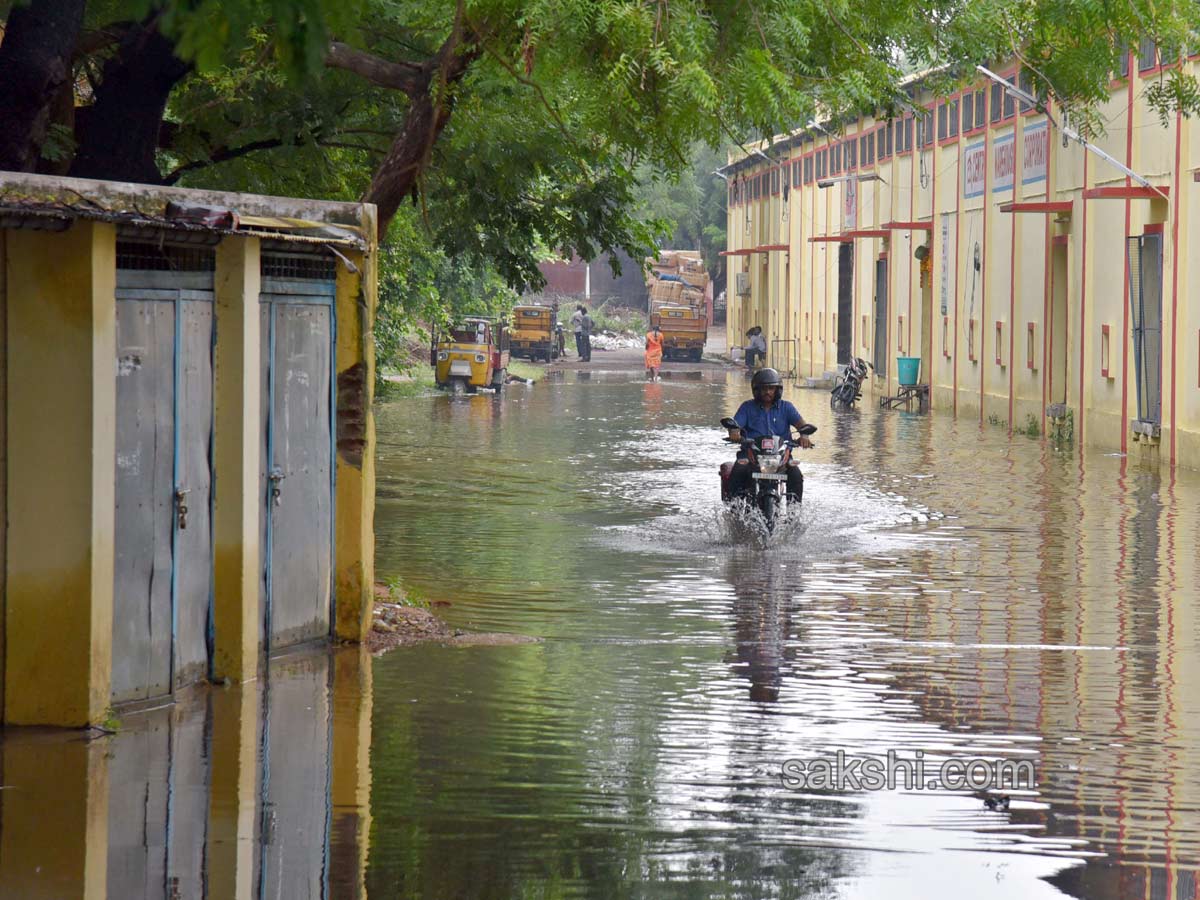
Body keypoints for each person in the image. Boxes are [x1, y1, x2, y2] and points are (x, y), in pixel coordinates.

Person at [725, 367, 811, 505]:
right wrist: (734, 432)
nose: (767, 392)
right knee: (739, 470)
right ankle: (734, 509)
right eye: (763, 388)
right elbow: (735, 425)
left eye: (771, 388)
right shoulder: (747, 407)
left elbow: (802, 426)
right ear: (756, 390)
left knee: (795, 474)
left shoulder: (787, 407)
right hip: (751, 454)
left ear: (778, 390)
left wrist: (804, 436)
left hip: (781, 455)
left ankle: (794, 513)